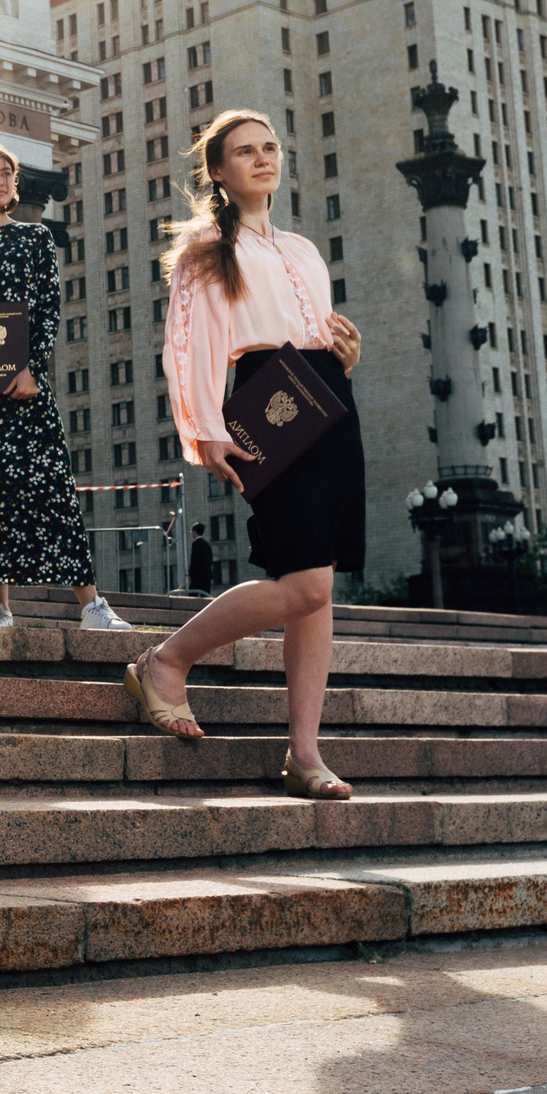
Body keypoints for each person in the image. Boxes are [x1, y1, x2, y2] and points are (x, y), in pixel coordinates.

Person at [123, 109, 365, 799]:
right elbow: (190, 339)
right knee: (307, 585)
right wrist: (203, 427)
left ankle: (305, 754)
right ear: (220, 171)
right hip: (272, 403)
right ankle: (167, 659)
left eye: (270, 147)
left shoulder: (304, 250)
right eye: (244, 151)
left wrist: (349, 354)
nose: (262, 158)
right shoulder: (208, 244)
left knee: (318, 594)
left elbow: (320, 332)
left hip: (331, 403)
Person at [0, 139, 129, 633]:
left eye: (6, 172)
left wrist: (33, 369)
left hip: (26, 394)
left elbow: (46, 311)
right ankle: (0, 609)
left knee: (54, 492)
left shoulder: (36, 239)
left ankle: (92, 606)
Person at [188, 523, 215, 595]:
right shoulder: (207, 544)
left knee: (192, 597)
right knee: (205, 596)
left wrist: (190, 573)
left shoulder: (196, 544)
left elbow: (194, 560)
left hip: (197, 578)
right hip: (206, 577)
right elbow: (210, 560)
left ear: (195, 531)